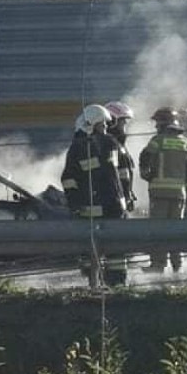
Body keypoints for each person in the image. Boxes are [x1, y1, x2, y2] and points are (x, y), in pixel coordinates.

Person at [62, 103, 127, 285]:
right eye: (103, 124)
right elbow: (125, 172)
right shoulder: (112, 144)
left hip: (94, 210)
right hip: (114, 209)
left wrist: (74, 204)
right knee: (115, 249)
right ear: (90, 124)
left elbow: (68, 179)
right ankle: (115, 284)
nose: (105, 128)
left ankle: (94, 282)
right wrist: (127, 198)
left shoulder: (78, 147)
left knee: (92, 250)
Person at [138, 107, 187, 272]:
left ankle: (158, 264)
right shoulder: (186, 142)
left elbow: (145, 157)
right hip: (179, 194)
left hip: (159, 193)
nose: (156, 126)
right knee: (176, 230)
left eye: (157, 123)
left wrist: (146, 175)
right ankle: (177, 264)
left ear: (163, 124)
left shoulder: (158, 140)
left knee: (158, 230)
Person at [105, 101, 136, 213]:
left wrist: (129, 194)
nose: (125, 126)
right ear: (112, 122)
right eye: (123, 122)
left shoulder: (119, 145)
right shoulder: (110, 146)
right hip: (113, 201)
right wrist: (126, 195)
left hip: (120, 198)